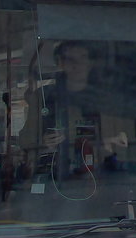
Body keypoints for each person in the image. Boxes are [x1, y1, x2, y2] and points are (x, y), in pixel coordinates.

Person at [19, 40, 127, 179]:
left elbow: (124, 138)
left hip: (104, 177)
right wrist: (42, 142)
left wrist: (111, 141)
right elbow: (24, 140)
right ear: (60, 63)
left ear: (91, 62)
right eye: (70, 59)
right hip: (57, 177)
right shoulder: (44, 97)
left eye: (83, 57)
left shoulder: (107, 98)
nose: (77, 64)